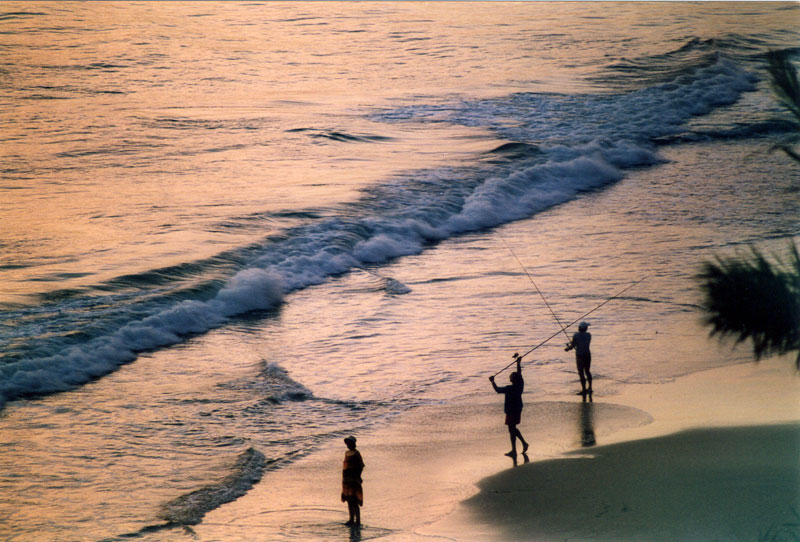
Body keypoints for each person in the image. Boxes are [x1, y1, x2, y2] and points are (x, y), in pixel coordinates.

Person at [489, 354, 529, 457]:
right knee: (512, 429)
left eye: (510, 376)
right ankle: (519, 447)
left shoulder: (509, 388)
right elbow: (519, 374)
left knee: (512, 430)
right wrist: (518, 363)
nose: (509, 376)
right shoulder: (520, 385)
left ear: (512, 380)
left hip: (511, 411)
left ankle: (517, 448)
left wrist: (492, 381)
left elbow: (497, 390)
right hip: (518, 409)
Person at [341, 436, 364, 526]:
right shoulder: (346, 453)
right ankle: (351, 519)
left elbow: (361, 466)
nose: (348, 445)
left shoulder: (356, 453)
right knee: (349, 500)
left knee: (354, 501)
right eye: (347, 443)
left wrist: (358, 476)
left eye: (350, 443)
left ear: (354, 444)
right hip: (346, 480)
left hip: (354, 480)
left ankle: (357, 521)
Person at [565, 321, 592, 395]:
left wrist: (567, 348)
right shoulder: (589, 335)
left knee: (581, 373)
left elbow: (572, 346)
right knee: (587, 371)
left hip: (579, 356)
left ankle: (584, 390)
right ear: (585, 328)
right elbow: (580, 343)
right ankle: (590, 388)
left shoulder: (575, 335)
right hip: (587, 355)